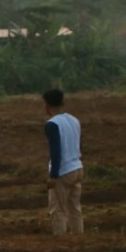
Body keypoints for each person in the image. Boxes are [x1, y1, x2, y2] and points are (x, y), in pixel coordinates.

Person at [43, 88, 83, 235]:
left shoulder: (52, 124)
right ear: (62, 102)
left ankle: (60, 241)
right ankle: (79, 239)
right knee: (75, 208)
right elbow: (79, 145)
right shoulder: (74, 120)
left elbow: (56, 151)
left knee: (57, 209)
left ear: (46, 105)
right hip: (78, 167)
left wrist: (53, 175)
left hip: (63, 171)